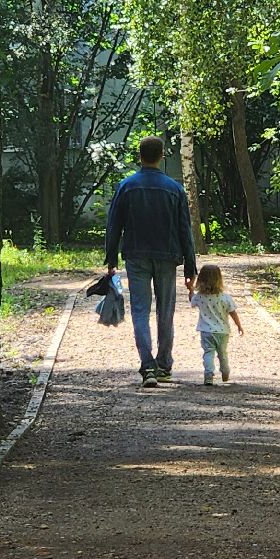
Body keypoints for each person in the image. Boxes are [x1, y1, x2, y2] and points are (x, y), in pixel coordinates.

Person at [104, 135, 198, 387]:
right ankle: (164, 364)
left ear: (139, 156)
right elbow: (184, 230)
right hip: (167, 257)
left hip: (136, 256)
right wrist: (191, 266)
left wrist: (110, 259)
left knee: (140, 311)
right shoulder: (174, 189)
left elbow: (114, 226)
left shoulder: (126, 186)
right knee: (165, 312)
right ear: (162, 156)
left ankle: (147, 367)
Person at [189, 264, 243, 386]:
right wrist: (239, 326)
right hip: (223, 331)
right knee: (222, 352)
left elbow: (192, 301)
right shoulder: (225, 298)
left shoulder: (200, 297)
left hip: (206, 331)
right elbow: (233, 312)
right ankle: (225, 370)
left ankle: (208, 374)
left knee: (208, 352)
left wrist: (191, 290)